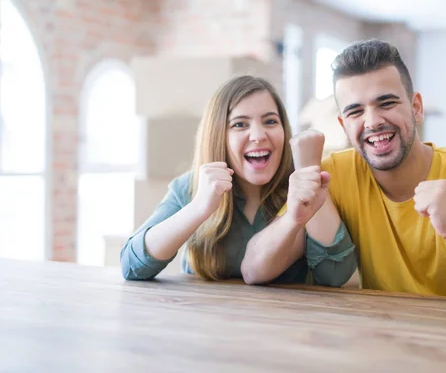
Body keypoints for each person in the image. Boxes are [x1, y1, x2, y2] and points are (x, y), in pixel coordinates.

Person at [262, 39, 446, 309]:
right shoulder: (336, 175)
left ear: (416, 107)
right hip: (386, 346)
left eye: (387, 102)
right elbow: (254, 268)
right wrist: (293, 217)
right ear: (344, 126)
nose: (372, 121)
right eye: (356, 111)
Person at [120, 75, 356, 286]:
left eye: (270, 121)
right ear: (218, 136)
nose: (258, 135)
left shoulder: (300, 186)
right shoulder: (192, 187)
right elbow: (132, 266)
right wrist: (199, 207)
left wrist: (309, 171)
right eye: (240, 124)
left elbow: (335, 275)